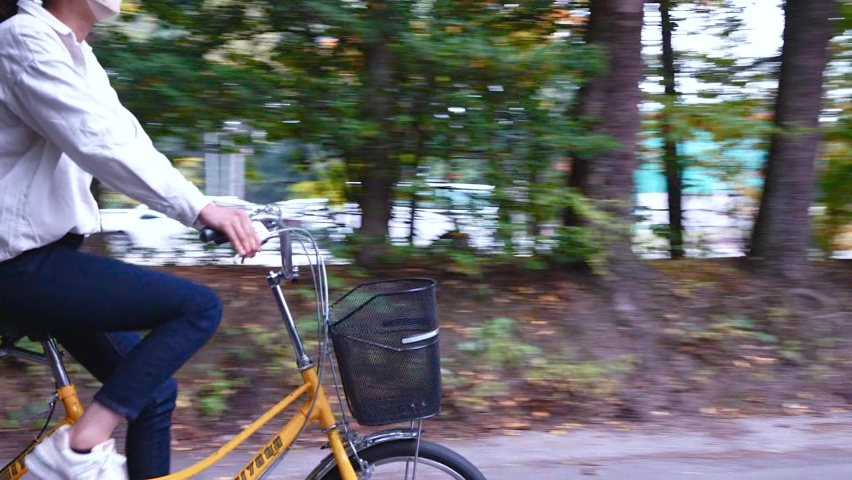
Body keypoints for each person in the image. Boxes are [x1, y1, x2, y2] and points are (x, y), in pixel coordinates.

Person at [0, 0, 262, 478]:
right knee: (196, 307)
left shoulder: (77, 52)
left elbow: (128, 137)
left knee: (151, 393)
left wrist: (212, 208)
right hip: (18, 266)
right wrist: (199, 209)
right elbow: (97, 141)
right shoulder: (22, 40)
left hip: (51, 261)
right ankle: (78, 447)